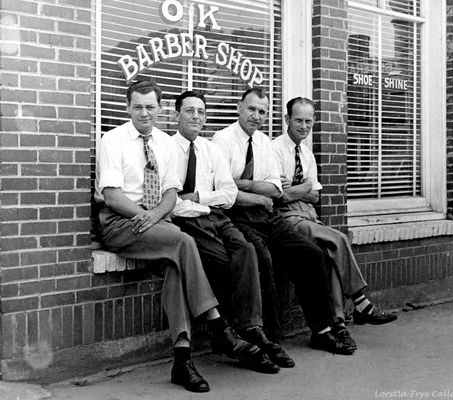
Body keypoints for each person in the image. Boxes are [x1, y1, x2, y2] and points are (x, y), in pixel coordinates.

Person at [95, 80, 278, 393]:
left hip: (154, 221)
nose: (143, 113)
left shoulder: (164, 143)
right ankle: (219, 325)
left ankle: (182, 358)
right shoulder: (112, 140)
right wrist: (146, 216)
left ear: (160, 109)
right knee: (185, 241)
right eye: (137, 106)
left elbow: (170, 192)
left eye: (150, 106)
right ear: (127, 108)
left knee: (175, 268)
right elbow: (111, 195)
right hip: (122, 222)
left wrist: (155, 214)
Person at [212, 87, 354, 355]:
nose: (256, 116)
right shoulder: (222, 140)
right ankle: (269, 338)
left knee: (310, 254)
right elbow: (223, 190)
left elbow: (276, 189)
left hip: (267, 215)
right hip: (236, 216)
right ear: (239, 108)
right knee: (262, 258)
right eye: (252, 109)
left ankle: (322, 331)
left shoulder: (265, 143)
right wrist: (257, 189)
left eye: (262, 112)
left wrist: (247, 185)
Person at [169, 90, 294, 370]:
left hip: (215, 215)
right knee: (227, 261)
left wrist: (200, 197)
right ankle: (233, 334)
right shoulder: (165, 148)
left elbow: (228, 193)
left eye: (201, 112)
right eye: (189, 111)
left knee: (245, 250)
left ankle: (252, 329)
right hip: (187, 220)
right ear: (176, 114)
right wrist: (201, 199)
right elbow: (172, 201)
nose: (196, 117)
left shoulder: (210, 148)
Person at [272, 97, 398, 346]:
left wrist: (301, 189)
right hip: (287, 218)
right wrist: (304, 187)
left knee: (328, 256)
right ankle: (362, 303)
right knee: (338, 238)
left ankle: (337, 324)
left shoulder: (307, 154)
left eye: (309, 121)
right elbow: (280, 196)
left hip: (309, 215)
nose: (304, 126)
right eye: (298, 120)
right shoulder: (274, 150)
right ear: (287, 120)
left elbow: (316, 195)